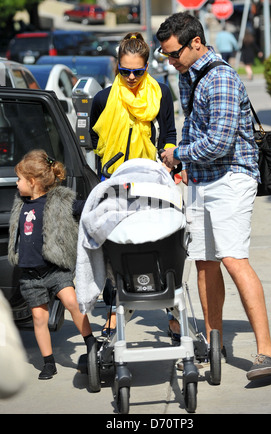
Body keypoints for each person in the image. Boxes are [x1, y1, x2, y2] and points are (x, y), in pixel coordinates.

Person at [157, 12, 271, 381]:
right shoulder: (188, 75)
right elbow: (193, 129)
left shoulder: (223, 78)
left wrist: (178, 154)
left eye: (174, 53)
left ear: (196, 42)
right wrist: (183, 159)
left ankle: (267, 352)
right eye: (165, 55)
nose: (170, 61)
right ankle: (215, 346)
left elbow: (219, 142)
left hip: (230, 179)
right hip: (200, 180)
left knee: (233, 259)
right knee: (205, 263)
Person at [89, 32, 180, 338]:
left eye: (137, 71)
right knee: (114, 249)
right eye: (124, 70)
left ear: (147, 67)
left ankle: (171, 310)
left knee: (160, 243)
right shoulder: (103, 99)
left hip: (153, 181)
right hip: (115, 184)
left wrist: (170, 161)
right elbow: (93, 141)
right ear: (117, 65)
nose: (130, 77)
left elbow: (169, 132)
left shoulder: (160, 93)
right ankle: (114, 313)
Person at [8, 149, 96, 380]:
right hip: (29, 273)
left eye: (19, 179)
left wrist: (103, 197)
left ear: (33, 182)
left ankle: (91, 343)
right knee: (39, 317)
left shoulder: (57, 203)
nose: (16, 184)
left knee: (72, 302)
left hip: (54, 268)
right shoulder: (22, 204)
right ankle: (48, 362)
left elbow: (80, 207)